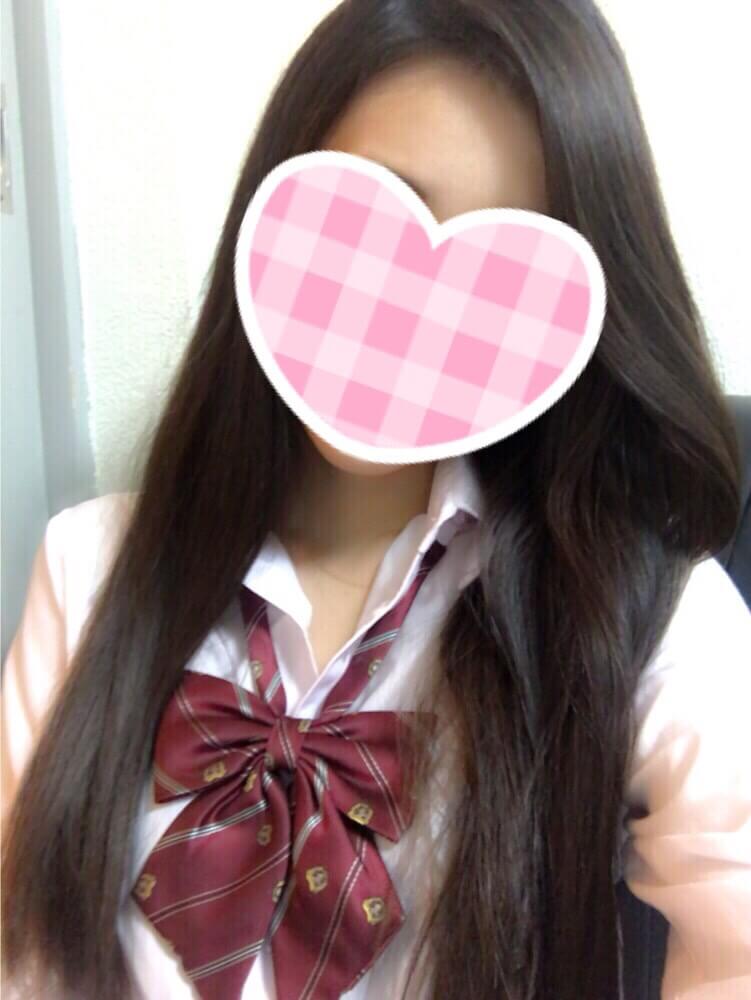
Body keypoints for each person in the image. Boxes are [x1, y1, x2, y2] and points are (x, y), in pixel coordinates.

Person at [2, 1, 750, 998]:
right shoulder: (89, 570)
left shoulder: (639, 619)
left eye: (497, 284)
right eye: (371, 220)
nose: (413, 323)